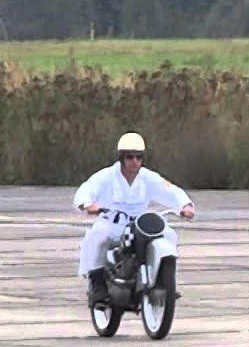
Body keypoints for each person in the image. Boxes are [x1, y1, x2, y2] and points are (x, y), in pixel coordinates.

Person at [73, 131, 195, 306]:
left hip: (140, 223)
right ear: (122, 158)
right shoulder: (106, 176)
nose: (135, 161)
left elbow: (170, 189)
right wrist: (87, 204)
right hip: (113, 222)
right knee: (98, 235)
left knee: (168, 235)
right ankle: (97, 283)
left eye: (139, 157)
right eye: (130, 157)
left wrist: (185, 205)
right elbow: (87, 189)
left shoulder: (148, 177)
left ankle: (164, 281)